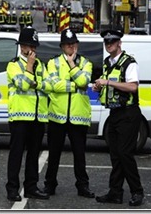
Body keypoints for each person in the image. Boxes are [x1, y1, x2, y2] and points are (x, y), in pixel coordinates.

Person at [92, 29, 144, 206]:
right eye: (107, 42)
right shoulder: (108, 62)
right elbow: (110, 84)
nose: (109, 45)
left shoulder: (129, 62)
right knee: (115, 154)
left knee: (125, 153)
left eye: (112, 42)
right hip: (114, 113)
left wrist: (108, 82)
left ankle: (137, 192)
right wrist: (100, 87)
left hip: (128, 113)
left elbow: (132, 87)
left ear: (119, 43)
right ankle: (115, 192)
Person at [43, 28, 94, 199]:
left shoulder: (86, 63)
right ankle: (49, 185)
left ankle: (82, 186)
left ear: (77, 45)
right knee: (54, 154)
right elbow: (52, 85)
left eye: (73, 44)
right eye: (67, 45)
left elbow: (84, 81)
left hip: (78, 116)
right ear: (62, 47)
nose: (70, 47)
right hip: (57, 115)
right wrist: (74, 86)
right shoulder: (53, 63)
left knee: (80, 155)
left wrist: (72, 65)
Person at [5, 27, 52, 202]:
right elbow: (23, 85)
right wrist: (30, 67)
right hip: (19, 117)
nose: (30, 49)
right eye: (26, 45)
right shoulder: (13, 65)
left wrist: (35, 82)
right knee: (16, 154)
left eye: (33, 45)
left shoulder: (42, 65)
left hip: (38, 116)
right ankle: (12, 189)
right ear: (21, 47)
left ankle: (31, 187)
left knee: (34, 154)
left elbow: (48, 85)